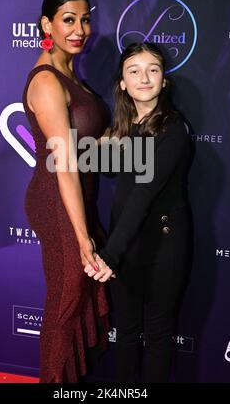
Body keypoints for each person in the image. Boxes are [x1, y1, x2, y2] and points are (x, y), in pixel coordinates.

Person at [85, 42, 191, 382]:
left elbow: (144, 192)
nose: (144, 78)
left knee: (158, 336)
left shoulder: (173, 129)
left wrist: (110, 254)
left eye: (153, 70)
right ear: (122, 83)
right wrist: (98, 134)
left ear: (164, 80)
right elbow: (109, 169)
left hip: (163, 245)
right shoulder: (125, 127)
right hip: (126, 242)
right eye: (134, 70)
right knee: (126, 333)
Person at [22, 0, 111, 383]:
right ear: (47, 25)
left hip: (75, 199)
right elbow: (65, 164)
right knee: (66, 300)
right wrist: (81, 236)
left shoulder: (69, 74)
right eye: (68, 20)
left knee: (72, 299)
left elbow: (91, 144)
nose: (79, 29)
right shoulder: (46, 81)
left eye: (85, 19)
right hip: (58, 199)